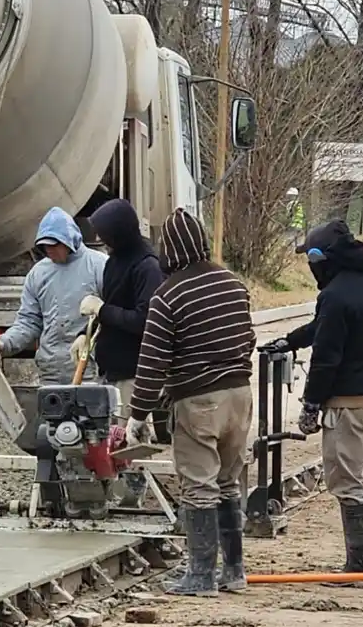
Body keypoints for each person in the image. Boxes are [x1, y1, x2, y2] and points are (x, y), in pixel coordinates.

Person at [125, 207, 257, 596]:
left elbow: (152, 361)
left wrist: (138, 415)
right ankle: (234, 571)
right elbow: (248, 338)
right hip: (240, 395)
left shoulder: (168, 295)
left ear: (168, 249)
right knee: (228, 483)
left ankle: (200, 576)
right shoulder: (233, 283)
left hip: (199, 401)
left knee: (199, 487)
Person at [262, 219, 363, 579]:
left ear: (323, 260)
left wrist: (311, 404)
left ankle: (359, 569)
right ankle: (360, 565)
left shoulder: (334, 295)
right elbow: (324, 327)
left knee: (348, 484)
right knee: (360, 480)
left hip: (348, 404)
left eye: (311, 260)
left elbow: (326, 357)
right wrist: (290, 340)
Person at [78, 198, 164, 505]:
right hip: (110, 366)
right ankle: (114, 492)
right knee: (109, 436)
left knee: (129, 437)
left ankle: (132, 497)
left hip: (133, 369)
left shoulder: (147, 266)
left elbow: (144, 320)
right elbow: (112, 304)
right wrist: (85, 334)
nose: (103, 241)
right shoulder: (115, 262)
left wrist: (102, 311)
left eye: (106, 235)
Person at [0, 206, 106, 385]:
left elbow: (113, 315)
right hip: (50, 374)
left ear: (69, 241)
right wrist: (4, 343)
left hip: (90, 372)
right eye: (44, 245)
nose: (49, 250)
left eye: (54, 244)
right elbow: (28, 322)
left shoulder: (99, 266)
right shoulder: (38, 274)